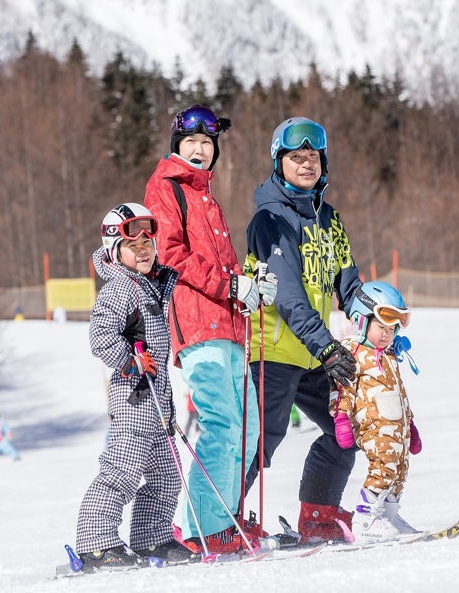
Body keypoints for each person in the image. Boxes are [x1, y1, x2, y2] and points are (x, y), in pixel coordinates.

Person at [143, 104, 276, 554]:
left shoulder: (207, 198)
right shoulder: (167, 188)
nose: (200, 151)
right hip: (198, 325)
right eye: (191, 143)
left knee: (249, 427)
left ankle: (225, 520)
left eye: (206, 144)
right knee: (223, 423)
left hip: (229, 324)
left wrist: (247, 289)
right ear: (176, 146)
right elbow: (170, 255)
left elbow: (226, 264)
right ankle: (200, 527)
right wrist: (228, 284)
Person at [244, 116, 363, 544]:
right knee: (261, 441)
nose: (306, 164)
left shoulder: (330, 221)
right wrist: (328, 348)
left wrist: (377, 324)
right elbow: (288, 296)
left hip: (313, 352)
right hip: (272, 350)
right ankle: (221, 523)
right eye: (296, 157)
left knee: (346, 428)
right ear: (279, 163)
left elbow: (349, 286)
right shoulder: (268, 220)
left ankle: (319, 516)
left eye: (312, 156)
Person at [73, 203, 191, 570]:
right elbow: (100, 336)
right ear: (114, 252)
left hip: (157, 400)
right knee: (121, 470)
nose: (142, 250)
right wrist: (129, 359)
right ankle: (96, 543)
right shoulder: (120, 289)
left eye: (147, 243)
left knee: (166, 475)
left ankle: (152, 538)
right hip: (133, 397)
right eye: (132, 245)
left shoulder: (152, 287)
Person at [331, 281, 422, 541]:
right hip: (372, 425)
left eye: (391, 329)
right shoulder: (353, 353)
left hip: (397, 427)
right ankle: (365, 521)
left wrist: (411, 426)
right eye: (380, 327)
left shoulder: (390, 355)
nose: (386, 334)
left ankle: (388, 516)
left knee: (400, 469)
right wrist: (341, 419)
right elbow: (343, 389)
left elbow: (401, 393)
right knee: (383, 467)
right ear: (361, 321)